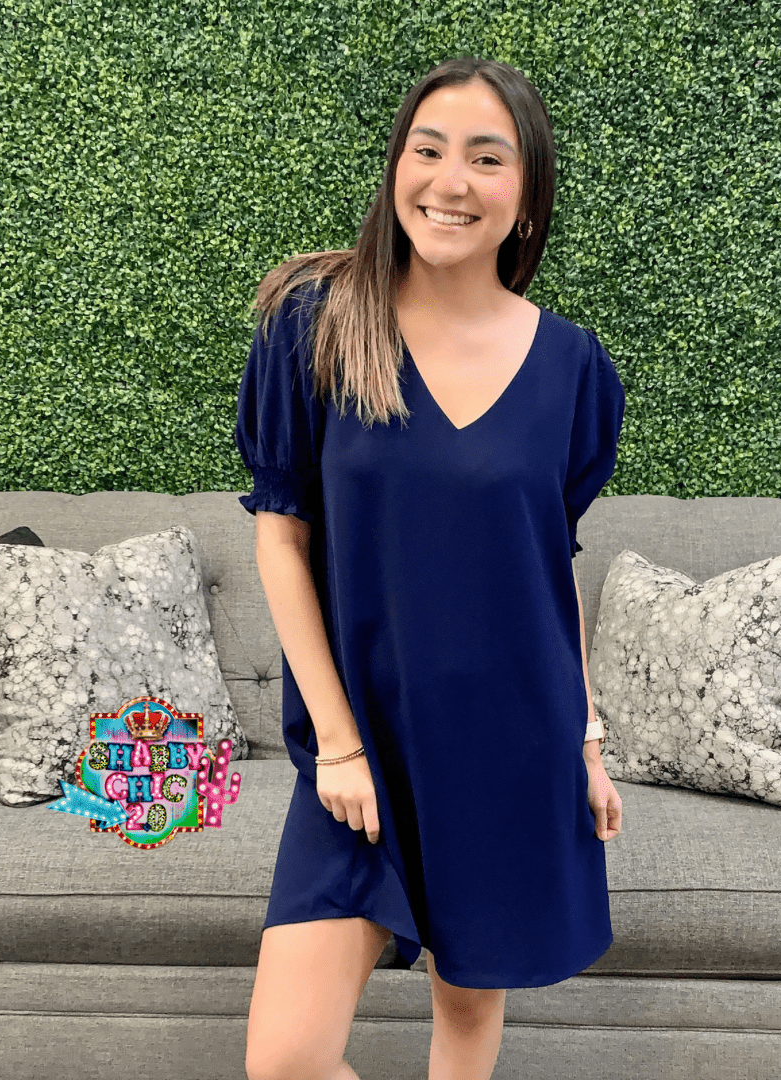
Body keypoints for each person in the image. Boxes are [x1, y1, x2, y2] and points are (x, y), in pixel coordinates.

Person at [237, 55, 626, 1080]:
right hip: (360, 747)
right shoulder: (315, 323)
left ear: (527, 199)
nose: (451, 181)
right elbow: (281, 538)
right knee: (285, 1060)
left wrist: (586, 740)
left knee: (465, 1013)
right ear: (397, 167)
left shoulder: (576, 370)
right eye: (429, 149)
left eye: (487, 159)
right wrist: (337, 744)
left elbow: (547, 568)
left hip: (508, 743)